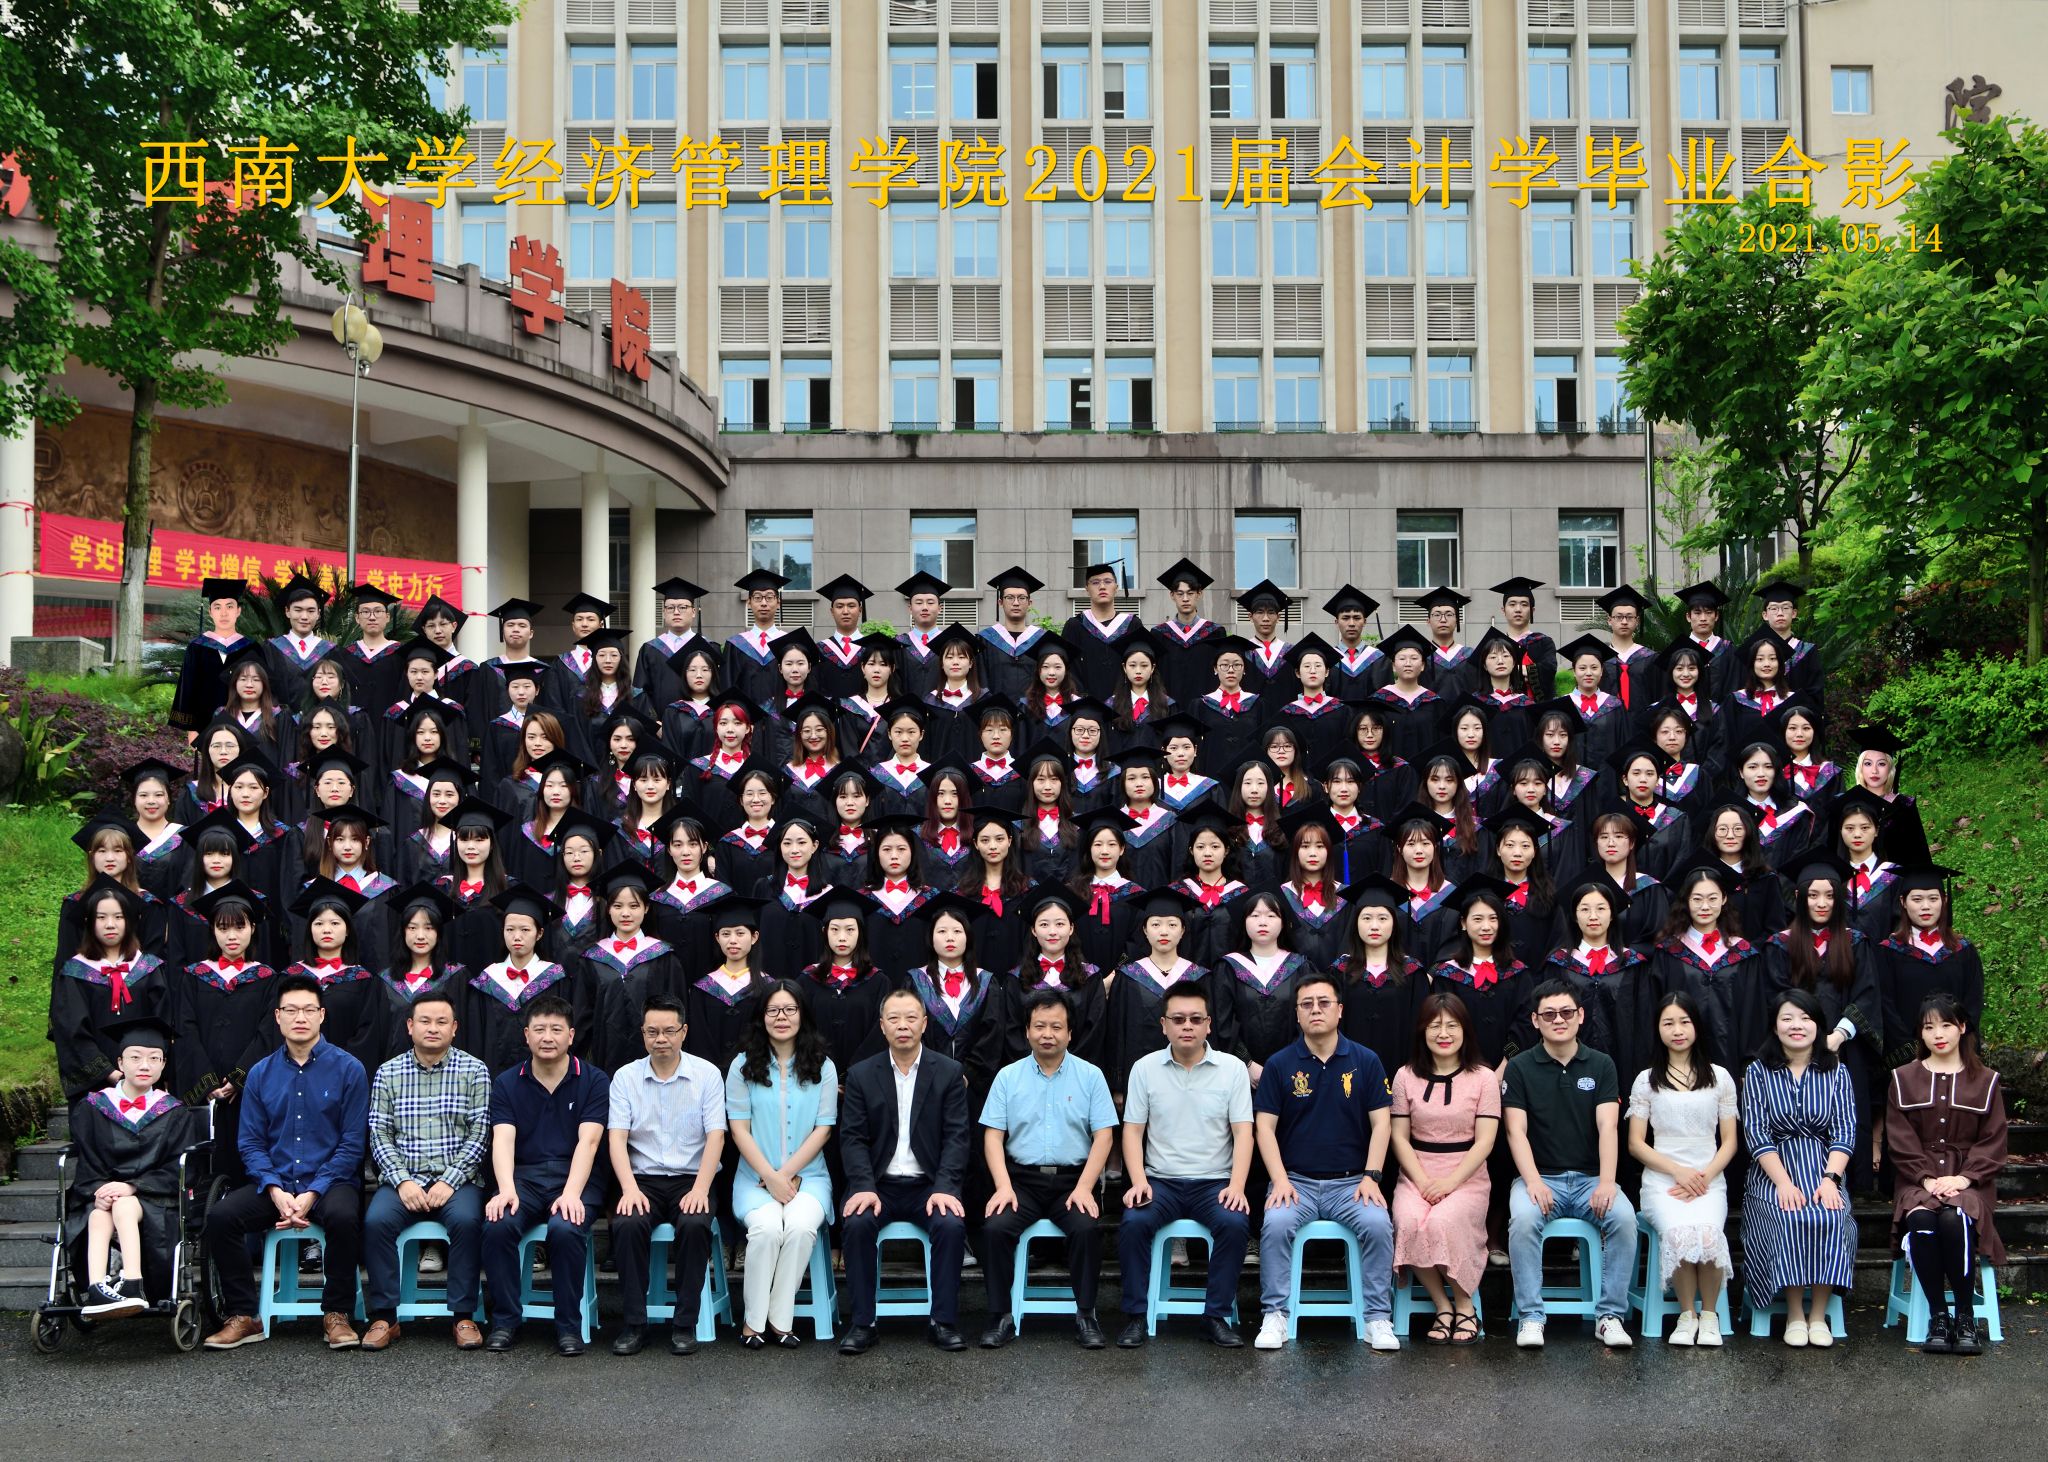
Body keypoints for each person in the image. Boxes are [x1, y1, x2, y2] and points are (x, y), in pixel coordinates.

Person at [202, 974, 369, 1350]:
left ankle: (337, 1313)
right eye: (291, 1010)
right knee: (222, 1217)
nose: (300, 1017)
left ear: (322, 1015)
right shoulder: (260, 1073)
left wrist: (313, 1192)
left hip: (330, 1182)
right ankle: (244, 1315)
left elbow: (351, 1145)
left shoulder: (349, 1069)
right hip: (275, 1182)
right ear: (277, 1017)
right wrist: (275, 1190)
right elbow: (250, 1143)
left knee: (344, 1216)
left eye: (309, 1009)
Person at [1251, 970, 1399, 1353]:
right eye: (1307, 1004)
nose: (1315, 1010)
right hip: (1295, 1182)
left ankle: (1377, 1317)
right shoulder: (1280, 1064)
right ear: (1297, 1014)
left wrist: (1372, 1176)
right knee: (1276, 1225)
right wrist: (1280, 1180)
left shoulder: (1365, 1060)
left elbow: (1382, 1123)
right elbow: (1263, 1127)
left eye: (1323, 1003)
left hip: (1352, 1183)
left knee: (1378, 1225)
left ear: (1340, 1010)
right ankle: (1275, 1315)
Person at [977, 988, 1119, 1349]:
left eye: (1056, 1027)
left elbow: (1104, 1136)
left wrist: (1085, 1187)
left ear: (1070, 1032)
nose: (1047, 1034)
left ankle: (1086, 1315)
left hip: (1073, 1181)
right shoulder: (1008, 1077)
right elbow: (993, 1136)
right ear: (1027, 1031)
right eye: (1039, 1026)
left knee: (1086, 1229)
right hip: (1021, 1182)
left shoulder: (1091, 1076)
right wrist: (1003, 1186)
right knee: (994, 1229)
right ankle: (1000, 1315)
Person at [1116, 982, 1254, 1348]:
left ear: (1209, 1024)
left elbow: (1244, 1133)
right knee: (1134, 1221)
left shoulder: (1231, 1069)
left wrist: (1237, 1186)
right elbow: (1132, 1132)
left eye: (1195, 1019)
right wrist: (1138, 1181)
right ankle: (1136, 1316)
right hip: (1161, 1182)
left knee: (1234, 1222)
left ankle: (1215, 1316)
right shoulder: (1145, 1068)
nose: (1187, 1026)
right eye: (1178, 1019)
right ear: (1164, 1025)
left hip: (1214, 1182)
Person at [1501, 978, 1636, 1350]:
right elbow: (1515, 1131)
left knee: (1624, 1219)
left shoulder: (1601, 1064)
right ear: (1535, 1020)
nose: (1558, 1020)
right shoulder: (1520, 1067)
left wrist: (1607, 1182)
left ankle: (1610, 1316)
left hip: (1592, 1178)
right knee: (1523, 1220)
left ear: (1580, 1016)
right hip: (1540, 1178)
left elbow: (1608, 1126)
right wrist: (1533, 1181)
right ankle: (1531, 1317)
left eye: (1565, 1012)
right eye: (1549, 1014)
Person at [837, 988, 973, 1355]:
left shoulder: (948, 1072)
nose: (903, 1026)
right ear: (882, 1026)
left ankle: (943, 1322)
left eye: (911, 1018)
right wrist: (863, 1186)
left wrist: (945, 1187)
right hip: (877, 1184)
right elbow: (852, 1138)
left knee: (950, 1225)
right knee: (857, 1223)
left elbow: (957, 1137)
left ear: (925, 1024)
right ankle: (863, 1324)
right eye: (894, 1019)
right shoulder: (862, 1074)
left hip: (928, 1184)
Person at [480, 995, 611, 1355]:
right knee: (498, 1224)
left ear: (571, 1035)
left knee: (565, 1229)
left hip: (577, 1177)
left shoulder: (594, 1080)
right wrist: (505, 1189)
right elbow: (503, 1140)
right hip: (524, 1177)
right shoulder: (508, 1082)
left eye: (556, 1029)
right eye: (539, 1029)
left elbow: (589, 1142)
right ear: (526, 1035)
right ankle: (505, 1321)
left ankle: (568, 1325)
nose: (547, 1037)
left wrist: (571, 1194)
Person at [361, 992, 492, 1351]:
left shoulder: (474, 1070)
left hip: (458, 1180)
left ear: (454, 1028)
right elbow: (379, 1134)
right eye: (425, 1021)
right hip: (404, 1178)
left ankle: (463, 1315)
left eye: (441, 1022)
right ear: (410, 1026)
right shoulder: (388, 1072)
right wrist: (402, 1180)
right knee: (376, 1222)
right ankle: (385, 1317)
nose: (432, 1028)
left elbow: (480, 1134)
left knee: (467, 1221)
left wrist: (450, 1180)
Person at [1887, 993, 2009, 1356]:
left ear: (1962, 1028)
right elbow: (1900, 1140)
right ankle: (1939, 1316)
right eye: (1928, 1027)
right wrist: (1926, 1179)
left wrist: (1964, 1178)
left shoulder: (1986, 1080)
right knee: (1922, 1219)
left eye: (1945, 1025)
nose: (1937, 1034)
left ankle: (1965, 1316)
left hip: (1970, 1181)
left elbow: (1993, 1139)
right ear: (1920, 1034)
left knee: (1955, 1218)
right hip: (1917, 1179)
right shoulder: (1902, 1078)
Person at [608, 994, 727, 1356]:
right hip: (642, 1179)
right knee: (627, 1223)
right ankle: (634, 1324)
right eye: (652, 1032)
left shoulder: (706, 1074)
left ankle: (684, 1324)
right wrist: (628, 1189)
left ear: (683, 1032)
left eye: (669, 1031)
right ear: (643, 1033)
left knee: (693, 1224)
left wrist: (701, 1190)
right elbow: (617, 1138)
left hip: (692, 1177)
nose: (661, 1039)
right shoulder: (626, 1077)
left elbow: (716, 1136)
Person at [1740, 989, 1858, 1347]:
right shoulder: (1758, 1072)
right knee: (1788, 1214)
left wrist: (1831, 1180)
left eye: (1806, 1018)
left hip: (1823, 1167)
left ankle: (1818, 1314)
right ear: (1775, 1026)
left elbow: (1845, 1130)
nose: (1797, 1025)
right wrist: (1783, 1183)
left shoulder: (1837, 1071)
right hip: (1772, 1170)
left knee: (1831, 1216)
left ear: (1818, 1026)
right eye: (1787, 1018)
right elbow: (1756, 1132)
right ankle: (1794, 1312)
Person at [726, 981, 837, 1347]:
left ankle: (779, 1318)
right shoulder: (743, 1065)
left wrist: (785, 1176)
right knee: (767, 1228)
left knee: (801, 1226)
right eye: (773, 1010)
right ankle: (753, 1322)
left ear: (802, 1014)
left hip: (809, 1177)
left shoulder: (823, 1066)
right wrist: (770, 1176)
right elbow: (739, 1130)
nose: (781, 1017)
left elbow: (824, 1129)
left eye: (790, 1009)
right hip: (754, 1178)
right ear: (762, 1016)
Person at [1625, 992, 1738, 1347]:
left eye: (1684, 1022)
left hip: (1709, 1180)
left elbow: (1729, 1142)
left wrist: (1703, 1177)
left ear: (1696, 1026)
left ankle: (1710, 1316)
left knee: (1708, 1234)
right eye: (1668, 1023)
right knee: (1679, 1233)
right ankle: (1686, 1315)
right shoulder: (1646, 1080)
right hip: (1663, 1182)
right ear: (1658, 1029)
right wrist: (1678, 1172)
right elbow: (1636, 1144)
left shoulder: (1720, 1077)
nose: (1677, 1030)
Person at [65, 1017, 198, 1318]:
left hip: (155, 1198)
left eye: (154, 1058)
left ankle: (132, 1284)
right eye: (135, 1057)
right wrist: (99, 1191)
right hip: (103, 1193)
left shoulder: (174, 1112)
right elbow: (89, 1162)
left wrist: (132, 1187)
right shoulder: (93, 1107)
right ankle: (97, 1287)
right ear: (120, 1063)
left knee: (124, 1205)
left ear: (163, 1065)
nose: (144, 1065)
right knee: (98, 1213)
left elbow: (180, 1169)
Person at [1388, 992, 1498, 1347]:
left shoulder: (1483, 1078)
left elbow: (1485, 1141)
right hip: (1417, 1174)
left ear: (1465, 1030)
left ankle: (1465, 1304)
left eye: (1452, 1025)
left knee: (1442, 1221)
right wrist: (1422, 1180)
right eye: (1434, 1026)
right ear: (1422, 1031)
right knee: (1408, 1220)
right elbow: (1399, 1136)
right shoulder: (1405, 1076)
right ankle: (1442, 1305)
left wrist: (1450, 1182)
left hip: (1466, 1176)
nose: (1443, 1033)